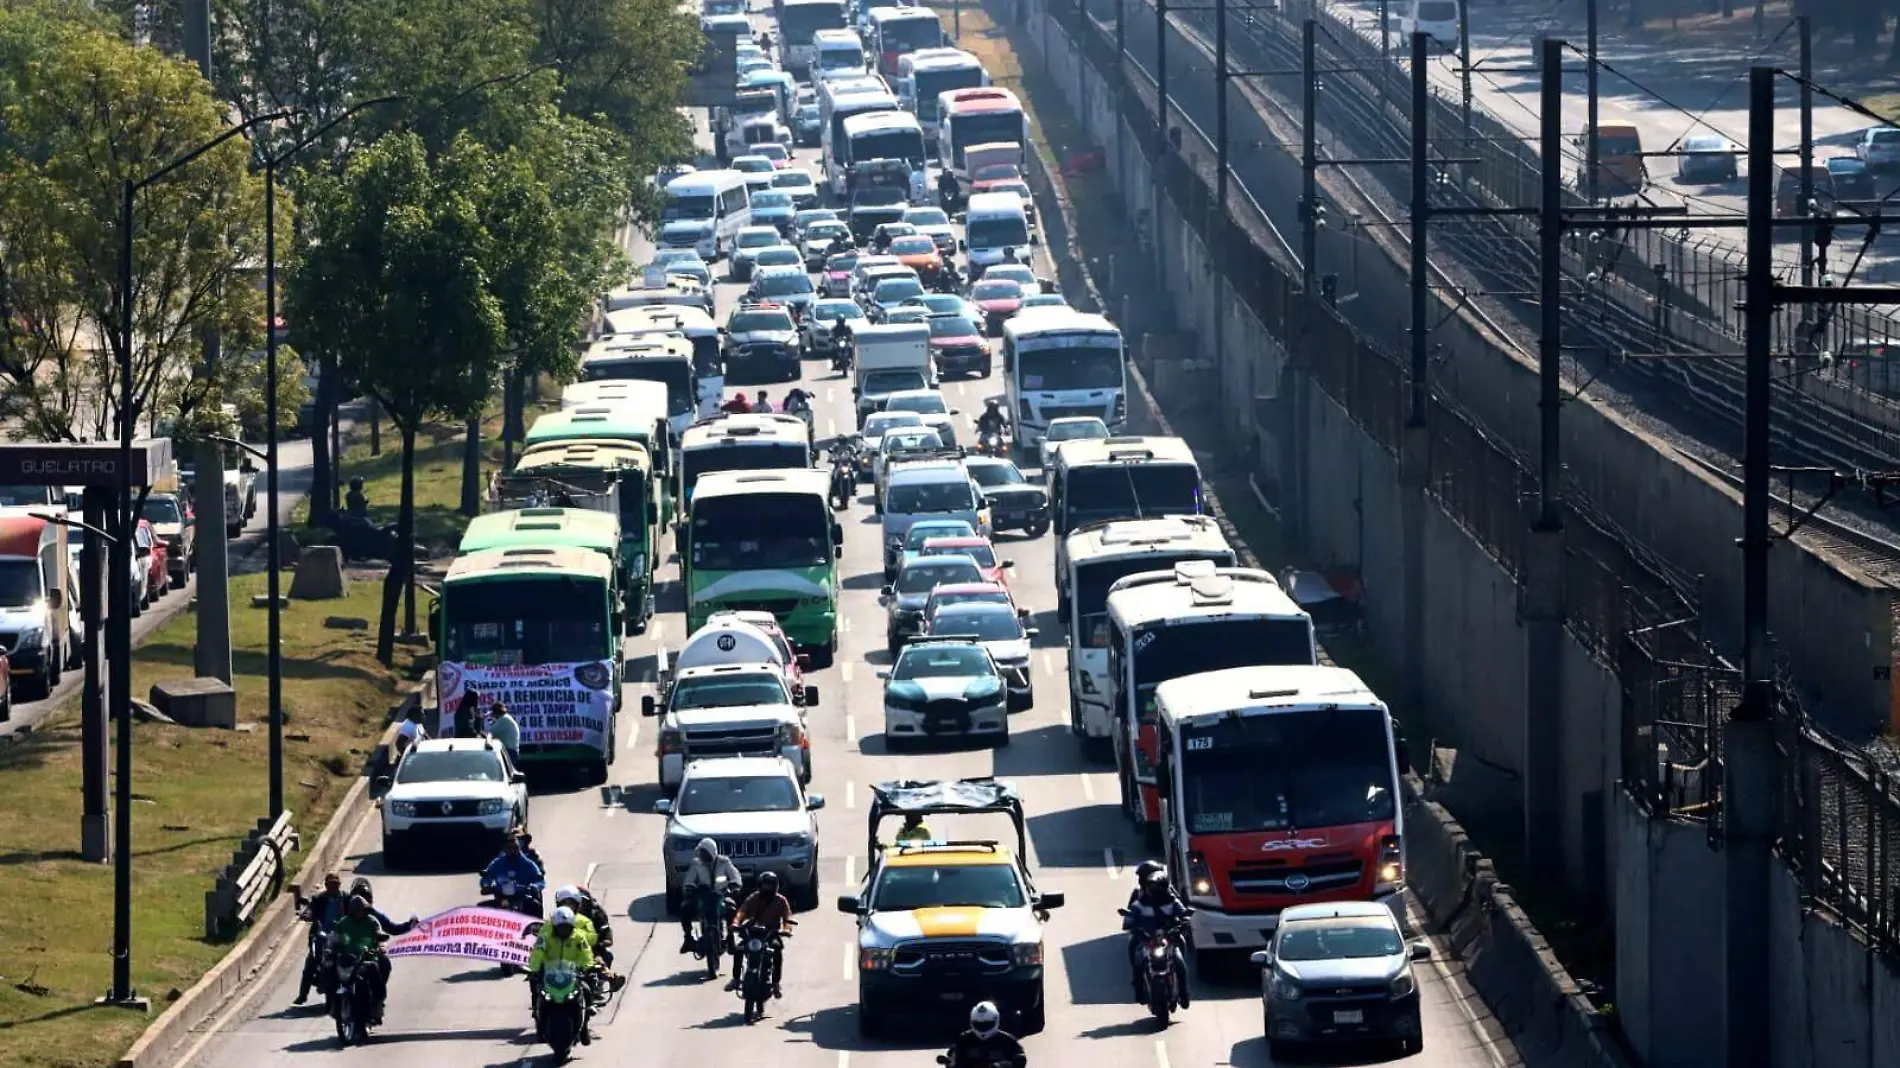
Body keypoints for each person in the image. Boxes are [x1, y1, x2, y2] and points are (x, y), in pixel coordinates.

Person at [328, 894, 417, 1024]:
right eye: (357, 910)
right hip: (347, 960)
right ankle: (333, 1006)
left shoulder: (372, 920)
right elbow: (334, 938)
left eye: (362, 909)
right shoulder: (343, 923)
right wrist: (330, 949)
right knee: (329, 971)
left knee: (379, 968)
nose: (360, 912)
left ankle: (377, 1003)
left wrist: (381, 946)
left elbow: (382, 932)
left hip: (367, 958)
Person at [526, 906, 597, 1045]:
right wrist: (534, 968)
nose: (564, 930)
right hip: (549, 973)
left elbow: (586, 953)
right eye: (561, 927)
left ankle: (584, 1028)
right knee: (537, 990)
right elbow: (537, 953)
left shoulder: (579, 937)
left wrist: (588, 967)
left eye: (567, 927)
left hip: (572, 974)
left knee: (587, 990)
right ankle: (539, 1025)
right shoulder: (545, 937)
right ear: (555, 926)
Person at [1122, 867, 1191, 1005]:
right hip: (1148, 940)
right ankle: (1139, 992)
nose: (1154, 891)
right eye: (1152, 888)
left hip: (1168, 940)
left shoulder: (1172, 901)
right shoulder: (1140, 903)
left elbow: (1183, 913)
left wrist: (1184, 922)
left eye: (1158, 888)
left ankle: (1184, 994)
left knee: (1180, 964)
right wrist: (1132, 923)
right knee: (1138, 961)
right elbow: (1130, 916)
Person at [726, 871, 796, 997]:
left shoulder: (781, 900)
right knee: (739, 950)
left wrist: (786, 930)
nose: (767, 889)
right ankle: (736, 979)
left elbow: (788, 916)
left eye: (770, 886)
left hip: (771, 933)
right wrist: (736, 923)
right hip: (754, 932)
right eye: (765, 886)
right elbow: (742, 911)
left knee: (777, 951)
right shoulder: (754, 897)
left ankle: (775, 983)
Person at [679, 838, 743, 954]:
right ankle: (688, 938)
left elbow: (735, 875)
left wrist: (735, 885)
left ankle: (730, 938)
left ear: (712, 851)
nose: (703, 855)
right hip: (702, 896)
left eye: (705, 852)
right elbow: (689, 879)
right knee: (685, 907)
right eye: (701, 852)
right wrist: (689, 887)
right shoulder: (696, 863)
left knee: (732, 908)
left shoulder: (724, 861)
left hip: (720, 895)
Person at [293, 873, 350, 1004]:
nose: (333, 888)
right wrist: (306, 915)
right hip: (323, 936)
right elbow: (310, 911)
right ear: (326, 886)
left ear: (339, 885)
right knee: (311, 962)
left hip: (343, 936)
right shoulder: (319, 899)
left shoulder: (347, 898)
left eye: (335, 885)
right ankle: (303, 994)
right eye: (330, 885)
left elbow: (354, 912)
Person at [552, 884, 620, 974]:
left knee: (606, 955)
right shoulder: (557, 916)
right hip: (561, 950)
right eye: (565, 904)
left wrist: (602, 942)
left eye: (571, 903)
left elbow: (602, 932)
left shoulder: (593, 915)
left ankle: (606, 975)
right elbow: (546, 932)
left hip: (588, 949)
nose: (569, 907)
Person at [945, 1001, 1026, 1067]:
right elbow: (954, 1056)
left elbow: (1019, 1056)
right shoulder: (965, 1039)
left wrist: (1004, 1065)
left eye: (986, 1024)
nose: (982, 1028)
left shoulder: (1007, 1040)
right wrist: (951, 1061)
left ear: (996, 1020)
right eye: (979, 1024)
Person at [481, 832, 546, 907]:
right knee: (482, 908)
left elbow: (539, 879)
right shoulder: (497, 863)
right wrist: (486, 884)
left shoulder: (528, 864)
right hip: (501, 899)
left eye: (514, 848)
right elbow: (487, 876)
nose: (512, 851)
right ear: (504, 848)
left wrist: (535, 886)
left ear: (518, 848)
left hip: (523, 899)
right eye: (509, 848)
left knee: (535, 906)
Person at [486, 702, 522, 766]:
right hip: (511, 752)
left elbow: (490, 733)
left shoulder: (504, 720)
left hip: (509, 752)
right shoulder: (505, 718)